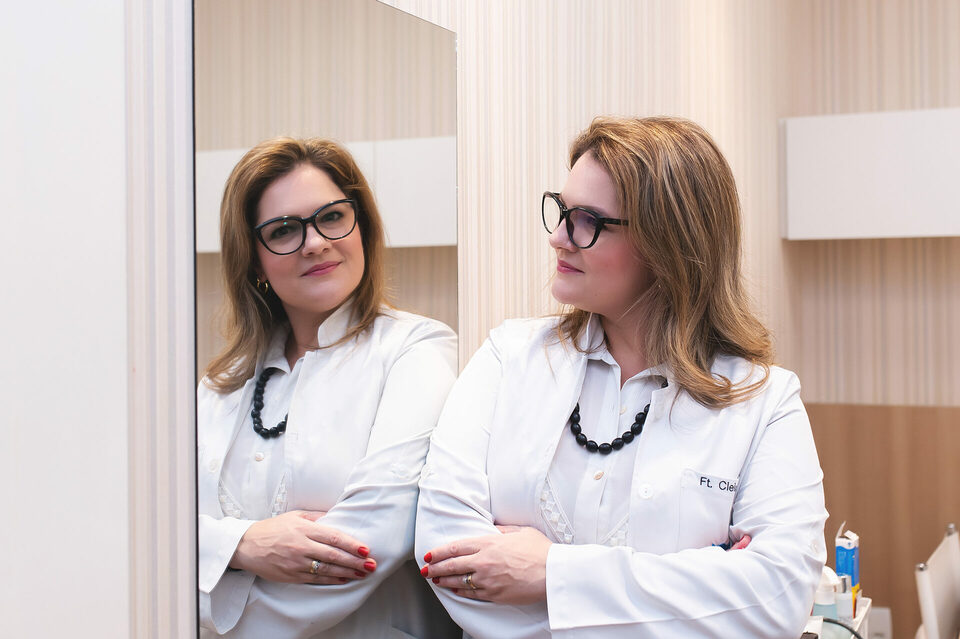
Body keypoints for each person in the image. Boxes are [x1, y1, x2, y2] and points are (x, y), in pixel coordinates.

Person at [415, 116, 827, 638]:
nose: (558, 238)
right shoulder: (508, 357)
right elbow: (445, 556)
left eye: (586, 220)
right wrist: (695, 592)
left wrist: (549, 573)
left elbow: (777, 600)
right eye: (561, 211)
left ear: (667, 242)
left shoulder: (764, 401)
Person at [197, 137, 459, 638]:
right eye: (283, 230)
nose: (315, 242)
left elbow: (373, 542)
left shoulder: (416, 350)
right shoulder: (221, 385)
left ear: (362, 227)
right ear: (253, 261)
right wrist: (247, 544)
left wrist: (214, 596)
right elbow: (164, 537)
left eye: (332, 217)